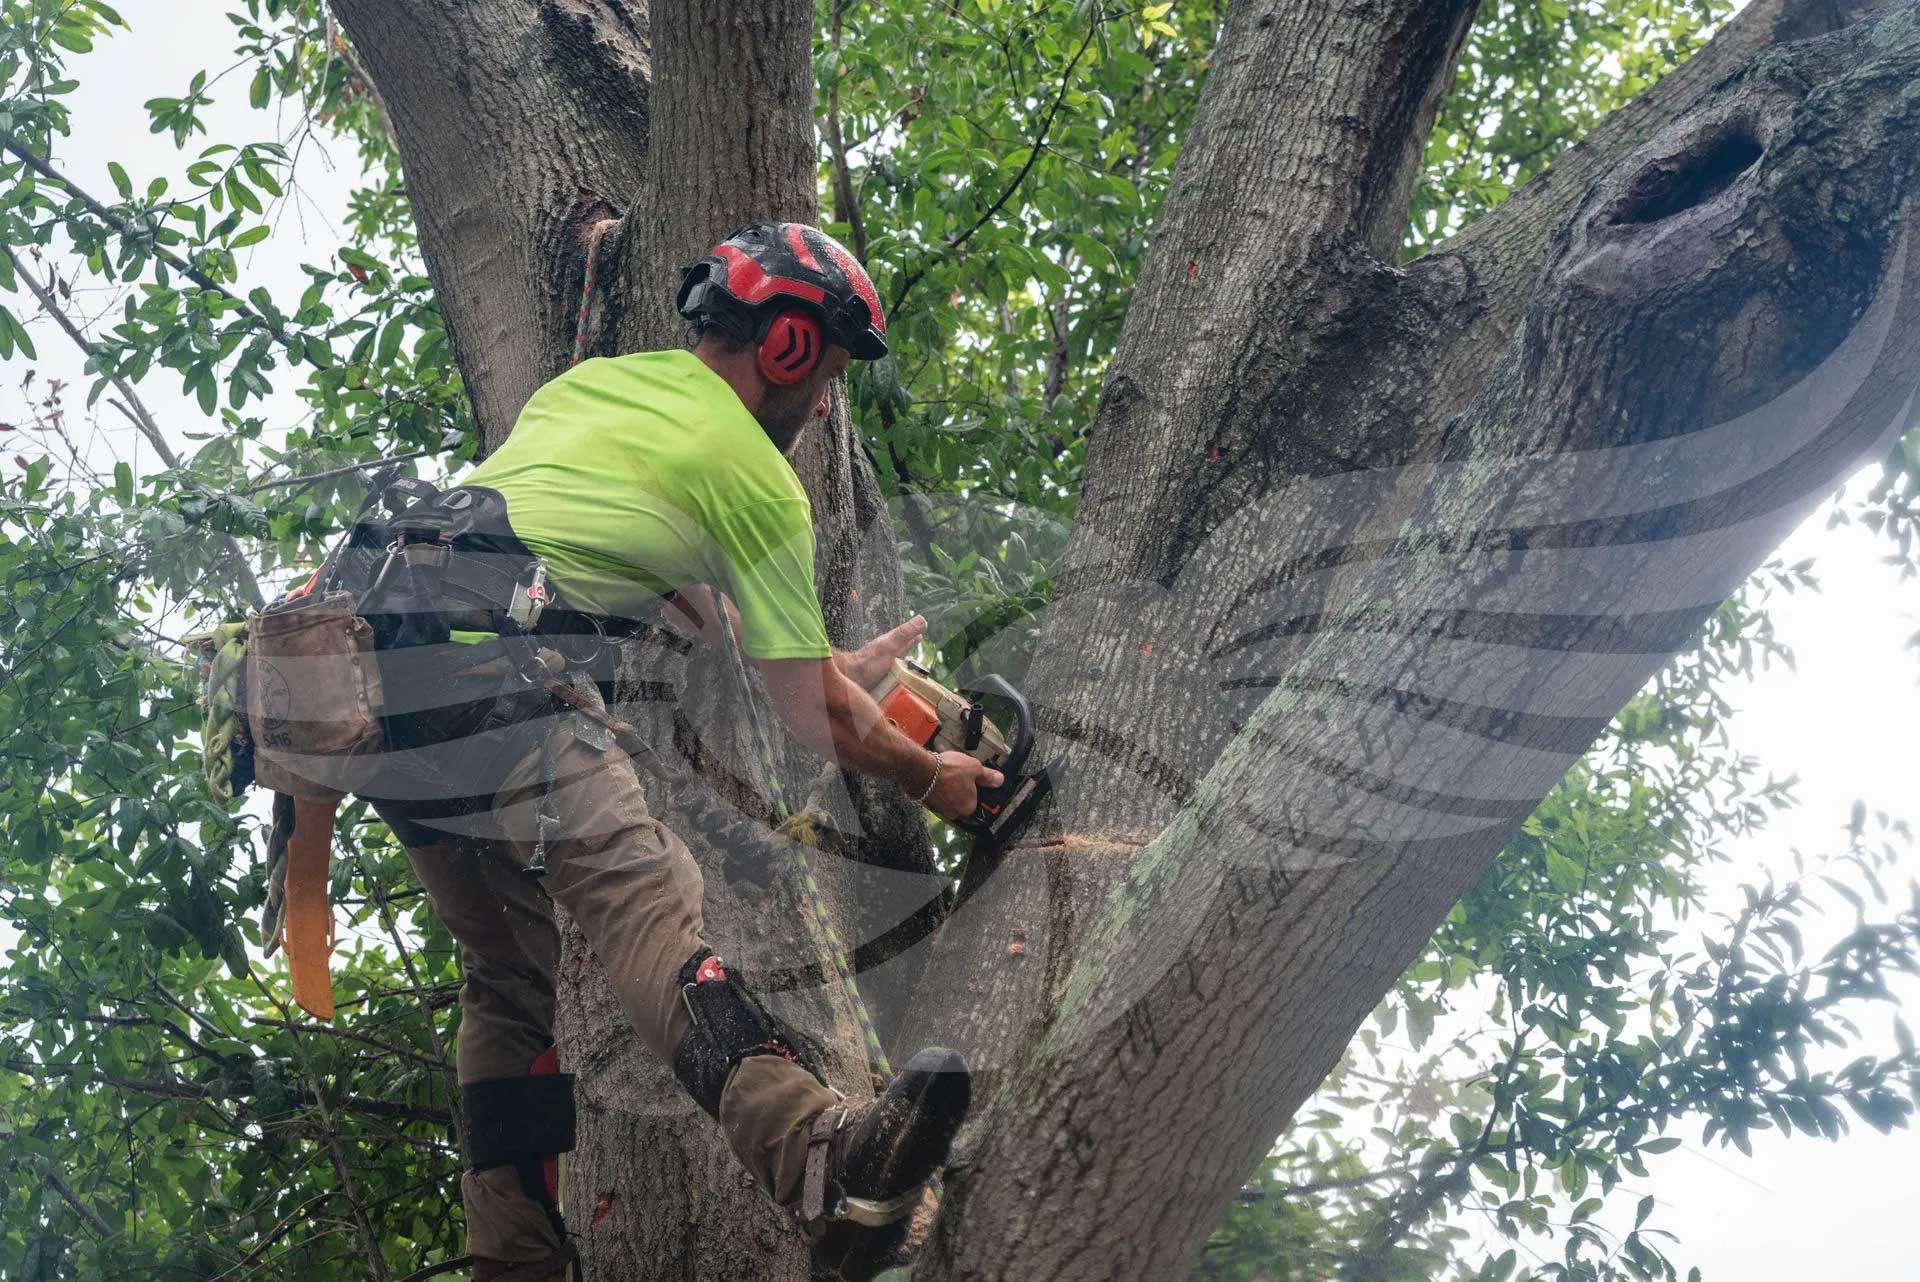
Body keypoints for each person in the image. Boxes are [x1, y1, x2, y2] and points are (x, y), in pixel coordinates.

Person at [359, 223, 997, 1282]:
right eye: (830, 370)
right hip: (502, 680)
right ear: (789, 347)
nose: (828, 401)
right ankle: (821, 1163)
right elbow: (820, 726)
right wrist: (938, 779)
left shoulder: (593, 393)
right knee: (649, 895)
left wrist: (827, 659)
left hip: (381, 682)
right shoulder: (749, 469)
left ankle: (511, 1260)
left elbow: (715, 619)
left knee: (510, 977)